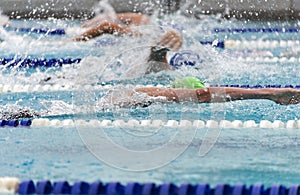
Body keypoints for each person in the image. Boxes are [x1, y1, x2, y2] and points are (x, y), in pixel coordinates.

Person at [73, 12, 150, 41]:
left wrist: (72, 41)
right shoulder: (143, 19)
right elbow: (109, 18)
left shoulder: (141, 21)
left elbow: (106, 26)